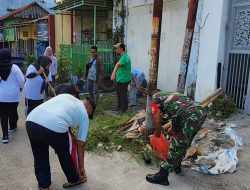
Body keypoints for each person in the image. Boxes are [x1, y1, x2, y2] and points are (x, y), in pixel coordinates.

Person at [26, 94, 96, 190]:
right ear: (90, 108)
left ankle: (44, 184)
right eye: (90, 114)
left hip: (31, 121)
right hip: (55, 126)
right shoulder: (84, 114)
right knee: (66, 151)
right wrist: (81, 168)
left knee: (39, 154)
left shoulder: (67, 96)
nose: (88, 116)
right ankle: (74, 178)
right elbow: (80, 144)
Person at [146, 91, 207, 186]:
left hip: (187, 115)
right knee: (185, 142)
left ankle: (162, 175)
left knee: (177, 145)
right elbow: (176, 114)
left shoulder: (154, 99)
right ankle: (176, 165)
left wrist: (157, 135)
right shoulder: (173, 94)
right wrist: (172, 130)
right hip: (200, 112)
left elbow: (157, 120)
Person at [0, 49, 25, 144]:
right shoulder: (15, 68)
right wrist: (19, 88)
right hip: (14, 95)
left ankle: (5, 136)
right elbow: (22, 81)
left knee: (3, 116)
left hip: (1, 96)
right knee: (13, 111)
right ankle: (13, 126)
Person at [111, 43, 131, 113]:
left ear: (121, 49)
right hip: (121, 79)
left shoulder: (124, 57)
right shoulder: (123, 56)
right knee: (119, 93)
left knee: (123, 95)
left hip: (123, 79)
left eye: (117, 48)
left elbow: (117, 65)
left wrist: (113, 74)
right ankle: (120, 107)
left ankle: (124, 109)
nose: (116, 49)